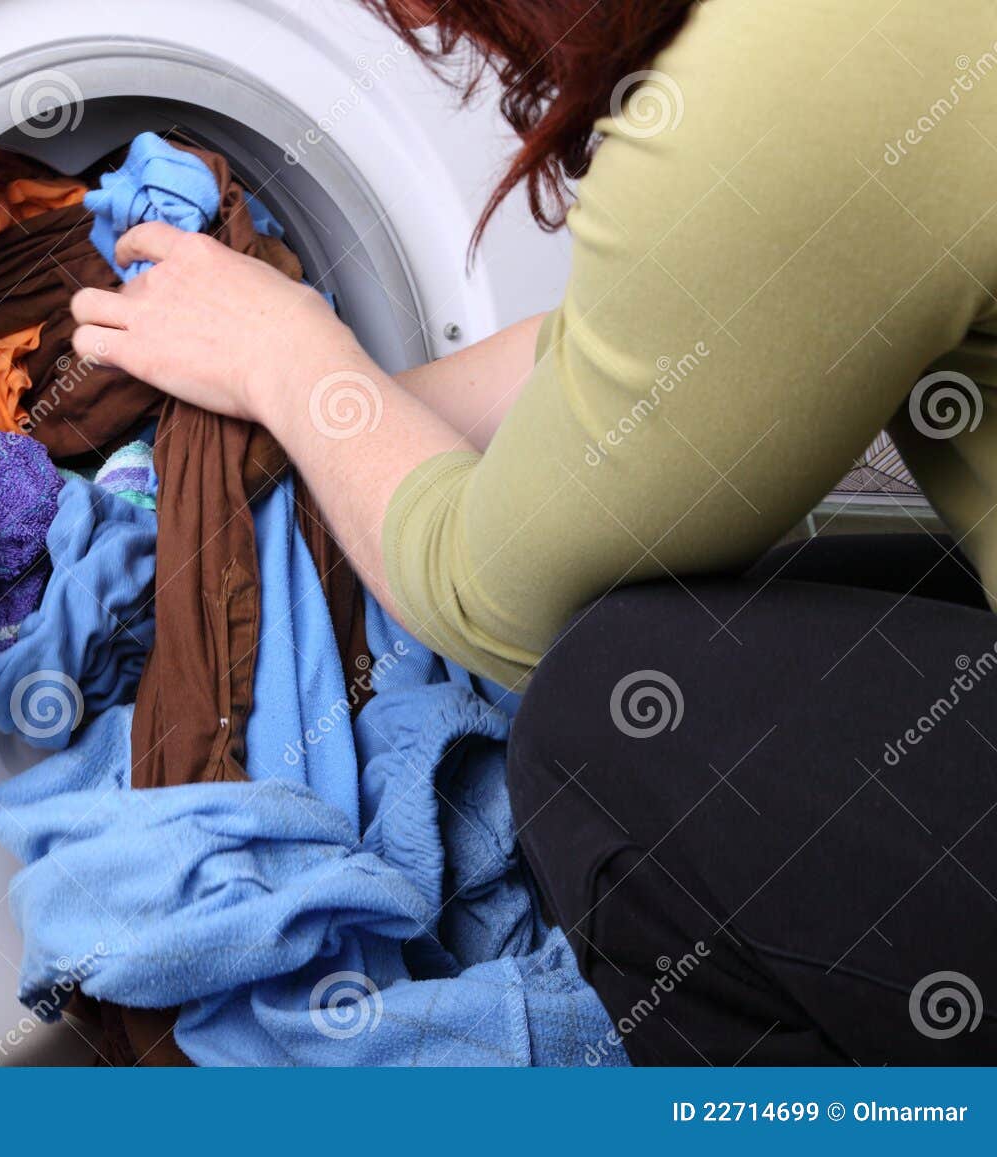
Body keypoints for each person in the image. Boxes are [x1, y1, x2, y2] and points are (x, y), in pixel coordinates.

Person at [68, 0, 997, 1064]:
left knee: (611, 706)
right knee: (802, 614)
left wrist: (290, 357)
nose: (433, 28)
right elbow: (671, 344)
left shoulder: (790, 66)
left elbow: (497, 604)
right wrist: (321, 417)